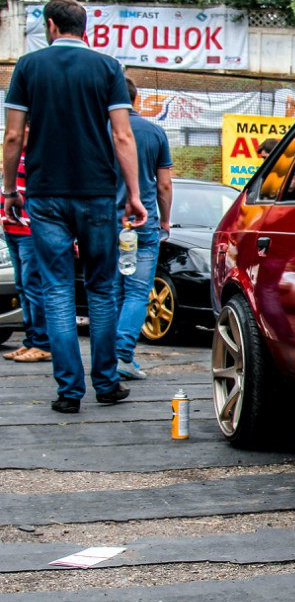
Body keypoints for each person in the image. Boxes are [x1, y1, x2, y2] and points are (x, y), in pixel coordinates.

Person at [2, 0, 146, 414]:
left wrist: (10, 189)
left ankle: (69, 392)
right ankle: (106, 383)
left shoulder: (28, 68)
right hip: (98, 193)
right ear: (85, 28)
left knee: (56, 289)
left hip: (45, 194)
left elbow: (13, 138)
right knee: (102, 289)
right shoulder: (107, 68)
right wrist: (133, 194)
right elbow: (122, 136)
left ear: (51, 25)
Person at [114, 77, 172, 380]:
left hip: (105, 222)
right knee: (137, 291)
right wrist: (164, 220)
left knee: (108, 291)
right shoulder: (154, 132)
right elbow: (164, 184)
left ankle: (106, 358)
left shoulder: (100, 131)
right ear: (137, 99)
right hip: (144, 222)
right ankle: (123, 356)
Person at [2, 142, 51, 363]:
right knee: (22, 285)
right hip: (11, 228)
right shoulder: (14, 156)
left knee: (33, 287)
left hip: (29, 230)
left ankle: (43, 342)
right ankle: (31, 340)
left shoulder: (37, 156)